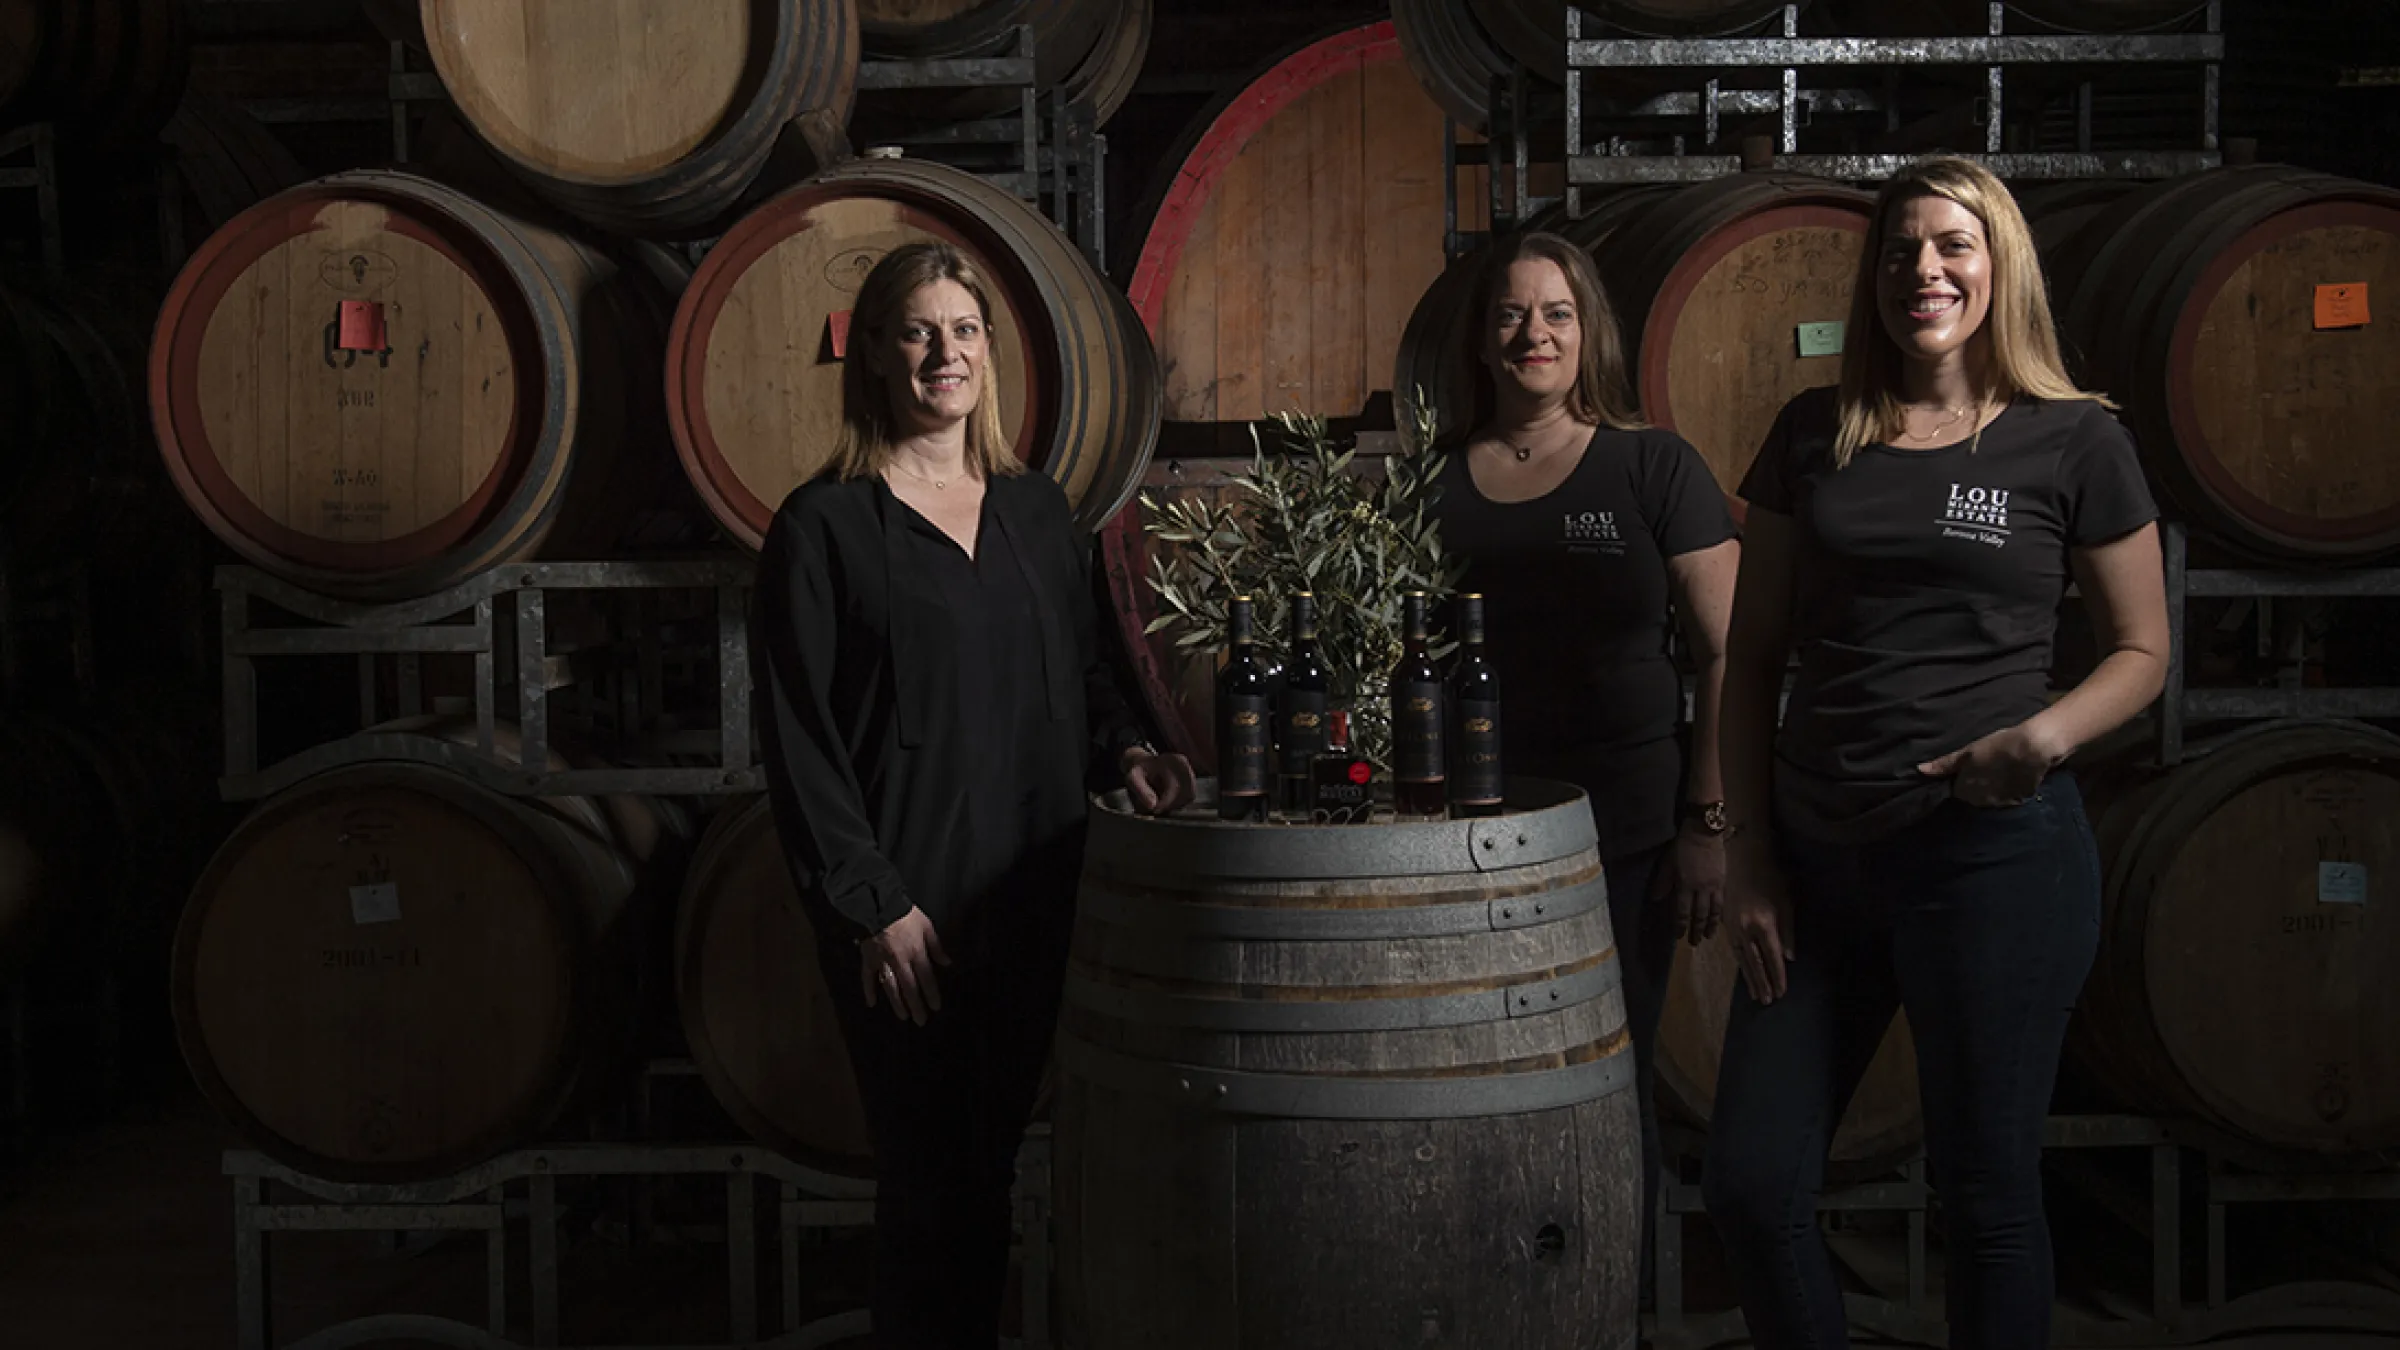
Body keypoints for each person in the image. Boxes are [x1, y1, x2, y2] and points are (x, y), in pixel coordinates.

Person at [1703, 157, 2169, 1348]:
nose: (1926, 271)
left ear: (1998, 266)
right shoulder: (1816, 433)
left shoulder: (2075, 442)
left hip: (1993, 859)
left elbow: (2142, 649)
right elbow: (1751, 659)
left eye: (1953, 246)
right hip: (1818, 858)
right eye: (1904, 250)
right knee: (1754, 1188)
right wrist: (1749, 855)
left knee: (1988, 1199)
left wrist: (2043, 737)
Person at [750, 241, 1196, 1349]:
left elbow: (1087, 679)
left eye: (962, 331)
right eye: (915, 330)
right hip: (910, 912)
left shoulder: (1042, 514)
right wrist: (872, 903)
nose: (942, 353)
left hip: (1036, 892)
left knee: (987, 1168)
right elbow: (798, 739)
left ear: (990, 357)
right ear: (876, 358)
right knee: (925, 1182)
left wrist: (1126, 755)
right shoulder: (824, 527)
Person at [1427, 229, 1740, 1301]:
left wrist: (1709, 822)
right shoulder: (1435, 485)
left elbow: (1730, 653)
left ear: (1588, 329)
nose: (1533, 334)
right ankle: (1506, 1308)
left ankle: (1616, 1313)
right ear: (1481, 339)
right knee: (1478, 1090)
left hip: (1627, 835)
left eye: (1556, 313)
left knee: (1608, 1085)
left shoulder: (1653, 465)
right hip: (1467, 845)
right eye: (1511, 314)